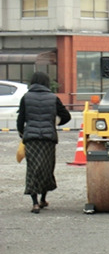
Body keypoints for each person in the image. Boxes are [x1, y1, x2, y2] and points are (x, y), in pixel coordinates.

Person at [17, 72, 71, 214]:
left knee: (33, 169)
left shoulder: (26, 97)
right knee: (46, 168)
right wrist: (55, 122)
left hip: (32, 139)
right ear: (46, 82)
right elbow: (67, 116)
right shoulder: (53, 98)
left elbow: (20, 119)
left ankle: (34, 203)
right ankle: (43, 199)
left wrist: (22, 134)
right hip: (48, 139)